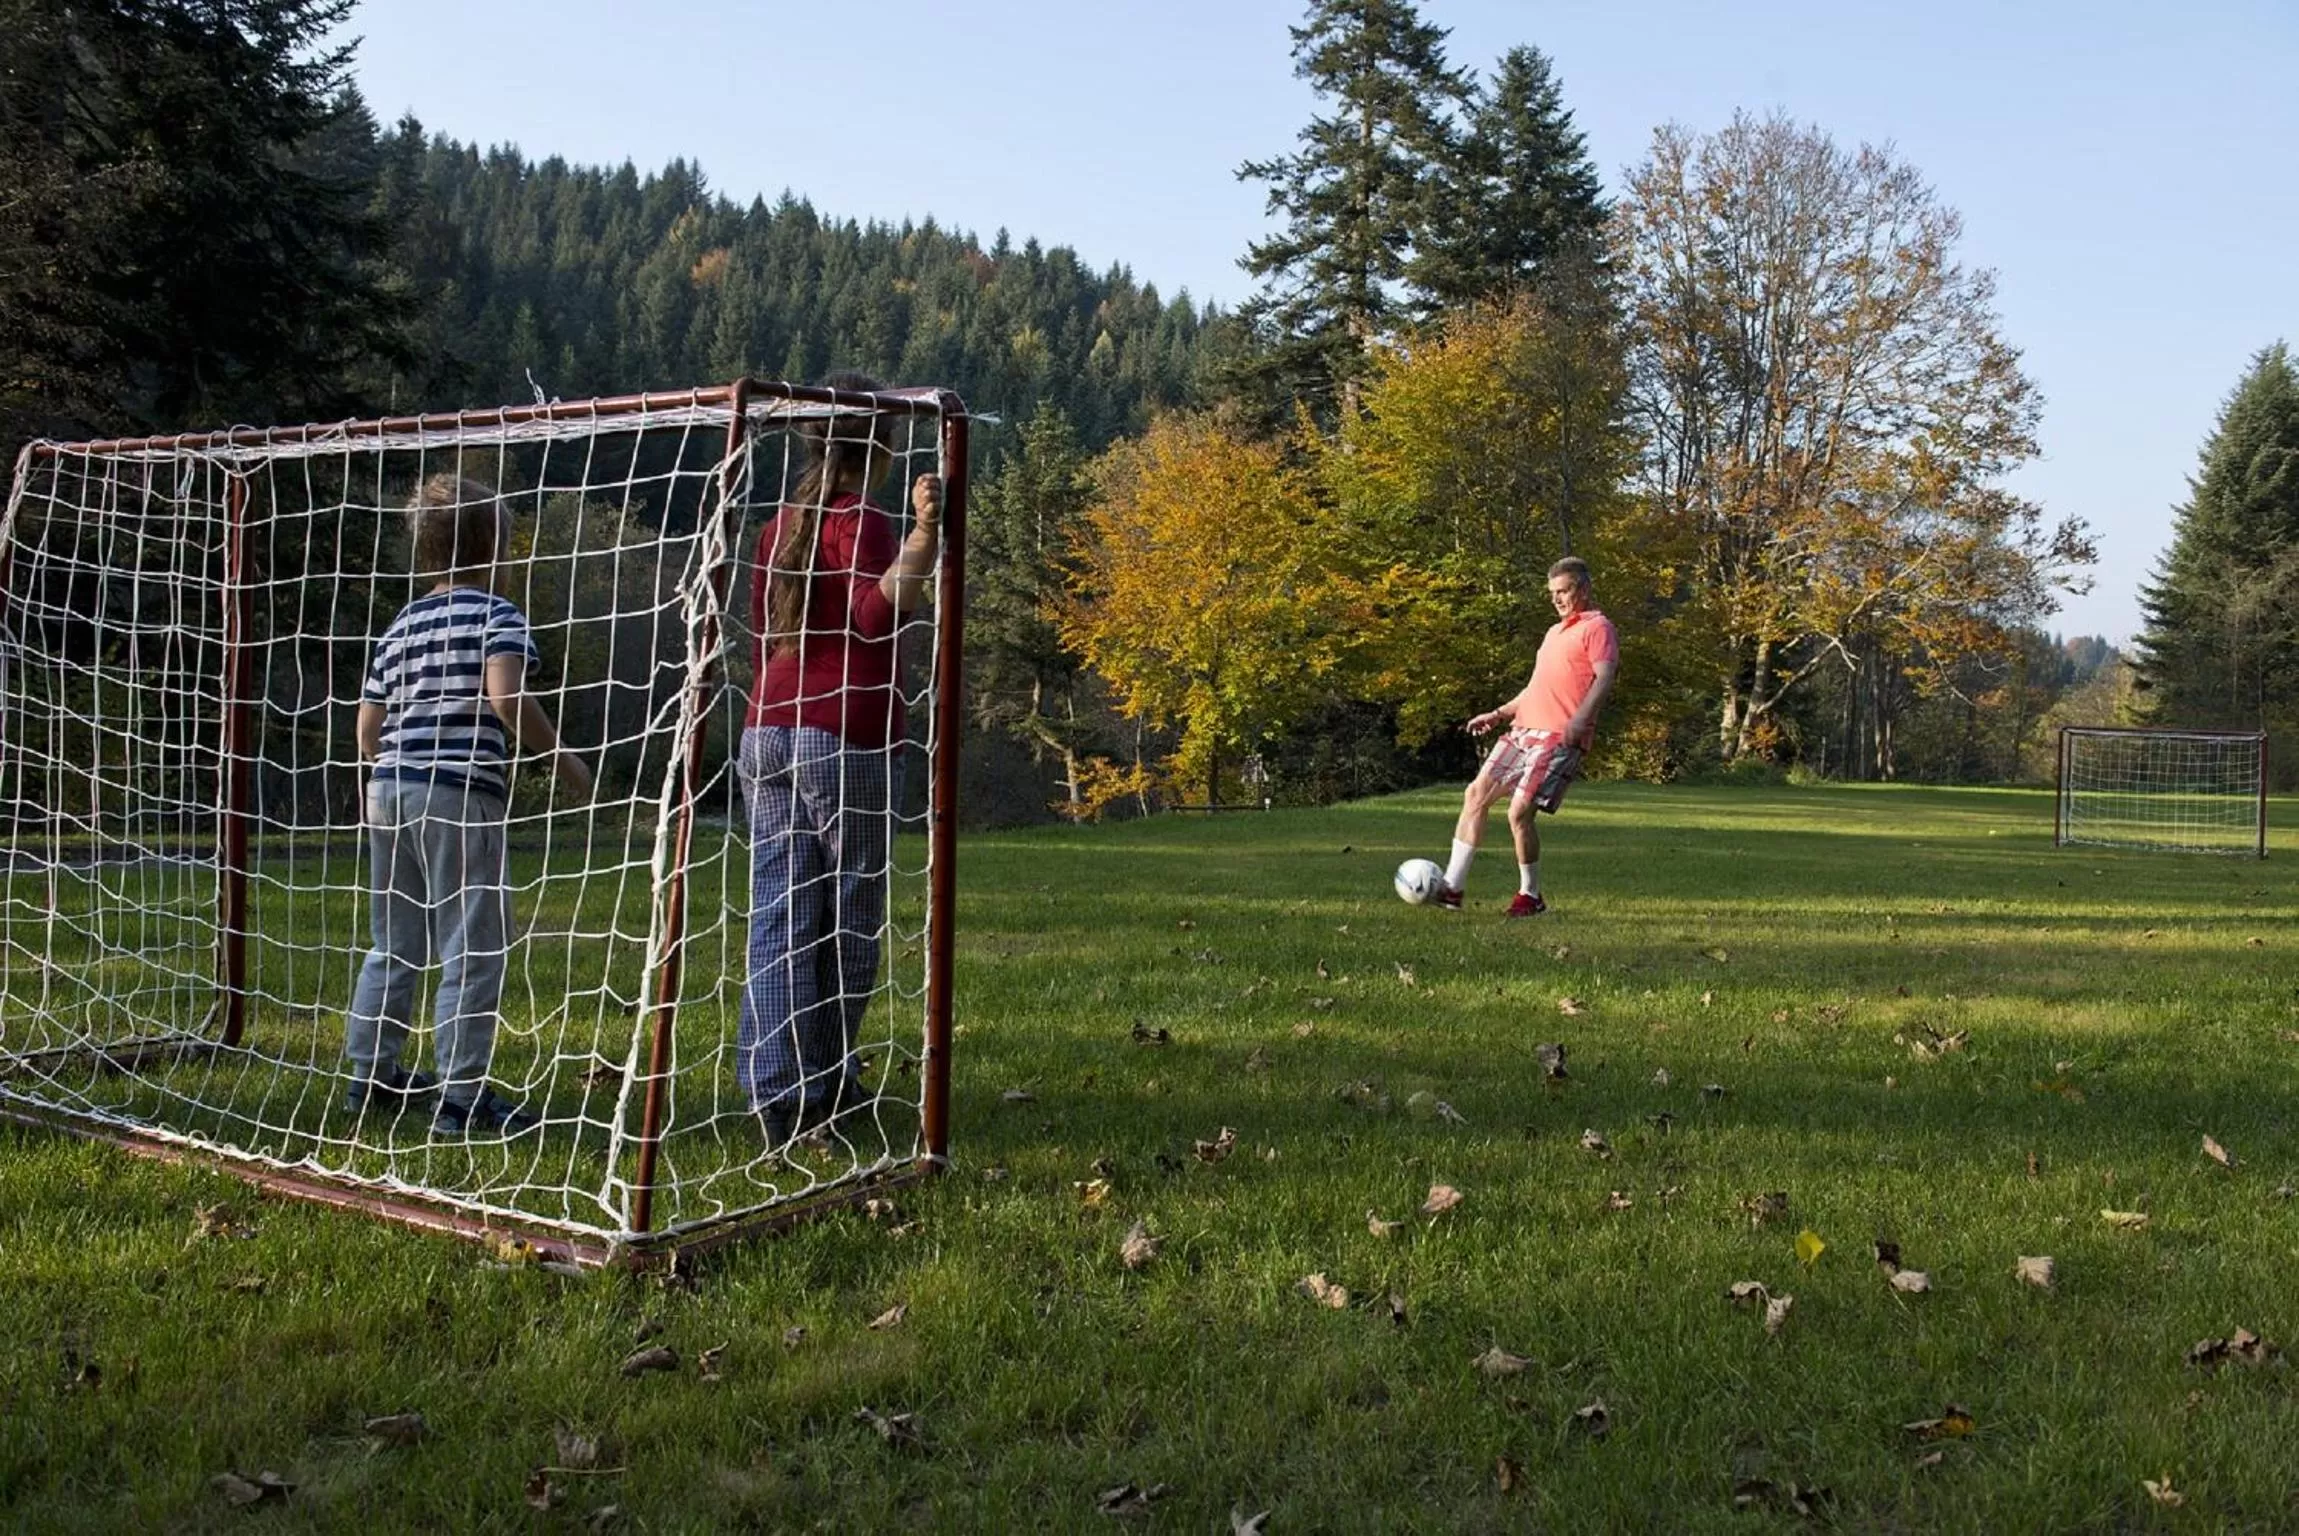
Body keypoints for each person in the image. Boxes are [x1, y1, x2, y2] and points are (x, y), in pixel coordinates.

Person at [344, 473, 592, 1137]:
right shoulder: (496, 615)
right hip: (458, 794)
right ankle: (461, 1099)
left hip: (387, 791)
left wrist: (397, 764)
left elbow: (366, 730)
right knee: (472, 946)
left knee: (393, 942)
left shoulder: (401, 624)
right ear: (496, 546)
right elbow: (506, 699)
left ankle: (369, 1075)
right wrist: (564, 759)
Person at [739, 375, 941, 1153]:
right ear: (882, 447)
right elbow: (870, 614)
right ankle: (822, 1085)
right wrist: (923, 537)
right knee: (847, 915)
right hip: (842, 732)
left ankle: (776, 1087)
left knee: (779, 910)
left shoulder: (778, 528)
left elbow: (767, 636)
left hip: (766, 730)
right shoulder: (863, 518)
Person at [1434, 556, 1618, 916]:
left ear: (1584, 588)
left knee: (1519, 813)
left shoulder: (1598, 628)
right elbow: (1536, 689)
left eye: (1564, 591)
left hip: (1558, 735)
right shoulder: (1554, 633)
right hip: (1522, 729)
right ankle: (1452, 890)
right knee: (1475, 794)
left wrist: (1581, 720)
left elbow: (1605, 676)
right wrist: (1500, 713)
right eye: (1552, 593)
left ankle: (1530, 896)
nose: (1557, 599)